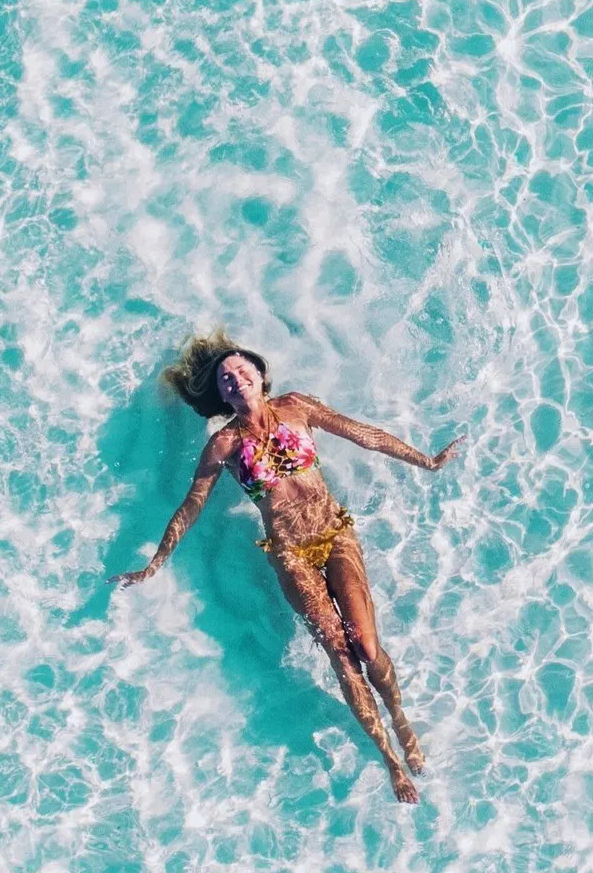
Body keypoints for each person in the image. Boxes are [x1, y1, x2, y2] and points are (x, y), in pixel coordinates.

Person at [112, 332, 463, 803]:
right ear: (221, 395)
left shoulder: (298, 407)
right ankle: (391, 762)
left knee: (366, 641)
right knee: (341, 655)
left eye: (241, 371)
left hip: (335, 535)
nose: (235, 380)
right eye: (225, 379)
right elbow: (191, 505)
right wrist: (155, 563)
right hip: (292, 555)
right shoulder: (223, 445)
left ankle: (400, 719)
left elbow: (366, 435)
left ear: (259, 374)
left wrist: (427, 461)